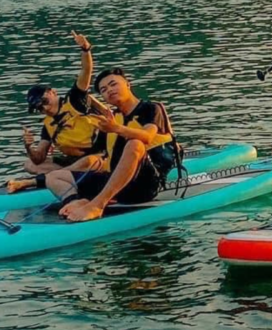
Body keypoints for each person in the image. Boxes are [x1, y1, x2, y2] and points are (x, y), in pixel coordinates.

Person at [48, 67, 179, 222]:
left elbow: (148, 137)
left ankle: (97, 205)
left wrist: (116, 128)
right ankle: (75, 202)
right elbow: (94, 154)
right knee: (54, 177)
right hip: (115, 184)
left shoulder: (151, 109)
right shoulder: (110, 120)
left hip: (144, 185)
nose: (109, 90)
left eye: (113, 84)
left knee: (135, 144)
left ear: (127, 84)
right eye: (104, 89)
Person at [7, 31, 104, 192]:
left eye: (44, 102)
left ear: (53, 92)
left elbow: (86, 72)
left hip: (98, 156)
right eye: (39, 108)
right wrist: (29, 146)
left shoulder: (74, 100)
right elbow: (38, 159)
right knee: (29, 164)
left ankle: (33, 182)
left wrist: (85, 49)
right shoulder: (48, 125)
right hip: (72, 161)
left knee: (88, 162)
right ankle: (63, 176)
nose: (44, 108)